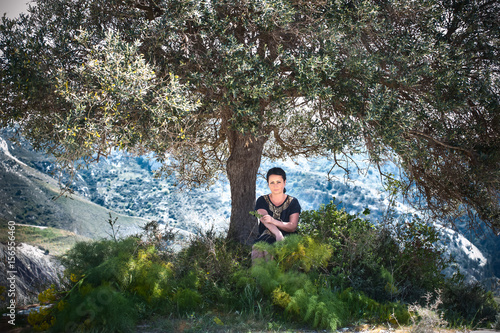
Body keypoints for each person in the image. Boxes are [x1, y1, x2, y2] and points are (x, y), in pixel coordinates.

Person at [251, 167, 301, 262]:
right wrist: (278, 234)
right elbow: (264, 219)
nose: (275, 186)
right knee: (257, 249)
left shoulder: (293, 202)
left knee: (270, 251)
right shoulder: (262, 200)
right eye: (272, 182)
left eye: (278, 182)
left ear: (284, 182)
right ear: (268, 184)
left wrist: (273, 221)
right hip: (267, 234)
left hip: (288, 236)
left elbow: (292, 226)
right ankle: (258, 276)